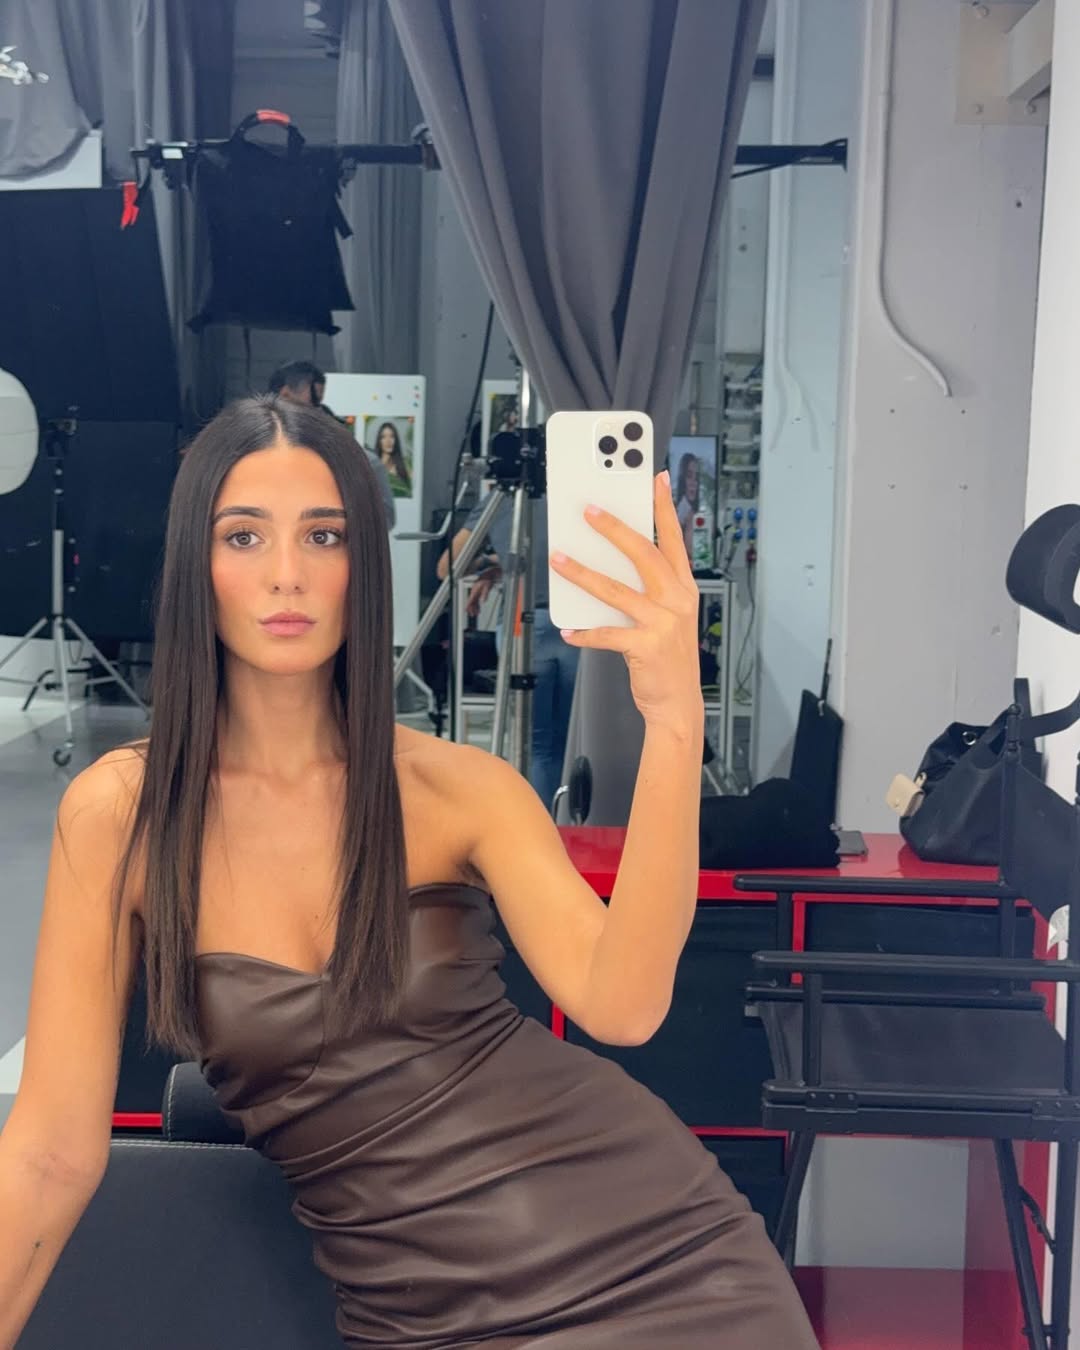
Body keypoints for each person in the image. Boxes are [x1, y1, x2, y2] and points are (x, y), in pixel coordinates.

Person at [0, 397, 818, 1349]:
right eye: (244, 536)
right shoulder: (122, 815)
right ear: (196, 563)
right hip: (426, 1320)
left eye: (324, 535)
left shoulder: (460, 788)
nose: (287, 573)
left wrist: (676, 723)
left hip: (667, 1263)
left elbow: (625, 1005)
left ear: (363, 564)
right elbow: (51, 1155)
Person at [438, 487, 579, 812]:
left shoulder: (503, 497)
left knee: (535, 743)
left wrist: (495, 561)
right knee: (573, 737)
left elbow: (448, 567)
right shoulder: (579, 491)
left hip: (522, 622)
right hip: (579, 622)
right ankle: (569, 823)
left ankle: (540, 828)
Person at [269, 359, 396, 531]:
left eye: (318, 404)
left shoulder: (357, 460)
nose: (316, 411)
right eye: (312, 402)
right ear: (284, 395)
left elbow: (384, 519)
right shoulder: (252, 457)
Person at [373, 420, 413, 497]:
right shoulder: (373, 465)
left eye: (392, 436)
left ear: (396, 440)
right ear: (379, 441)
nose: (388, 441)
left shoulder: (405, 465)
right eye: (383, 437)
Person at [674, 451, 701, 562]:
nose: (693, 482)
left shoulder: (695, 512)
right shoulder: (682, 512)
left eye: (696, 477)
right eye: (689, 476)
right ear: (682, 479)